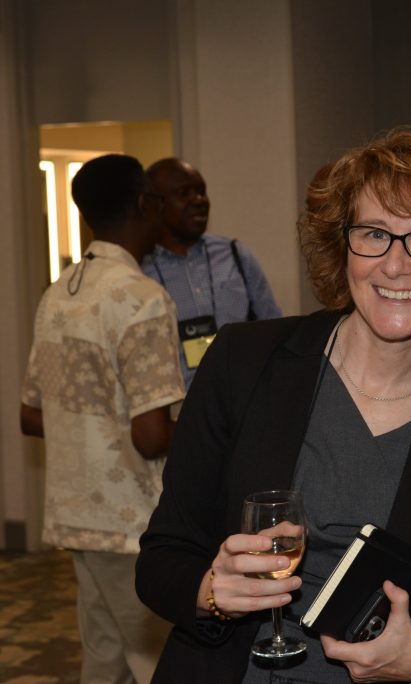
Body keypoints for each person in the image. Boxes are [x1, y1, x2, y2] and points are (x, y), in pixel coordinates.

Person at [136, 127, 411, 683]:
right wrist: (212, 592)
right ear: (344, 247)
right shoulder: (242, 363)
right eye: (374, 234)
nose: (395, 265)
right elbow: (162, 556)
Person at [20, 154, 185, 684]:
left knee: (105, 661)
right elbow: (151, 436)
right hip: (132, 517)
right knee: (159, 662)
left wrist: (93, 427)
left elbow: (32, 415)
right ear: (144, 204)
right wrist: (212, 433)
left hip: (76, 511)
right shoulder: (142, 298)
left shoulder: (58, 293)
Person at [141, 157, 282, 390]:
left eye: (201, 191)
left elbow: (273, 328)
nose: (198, 200)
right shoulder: (141, 269)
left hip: (241, 396)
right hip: (178, 404)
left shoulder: (234, 254)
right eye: (183, 193)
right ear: (156, 204)